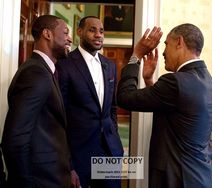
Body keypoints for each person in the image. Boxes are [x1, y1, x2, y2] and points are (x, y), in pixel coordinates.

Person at [117, 24, 212, 188]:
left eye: (166, 44)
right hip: (200, 176)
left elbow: (124, 98)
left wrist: (136, 55)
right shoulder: (209, 81)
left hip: (177, 179)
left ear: (179, 42)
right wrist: (149, 81)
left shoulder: (175, 81)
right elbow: (175, 110)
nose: (163, 52)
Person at [1, 15, 75, 188]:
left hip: (54, 175)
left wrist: (68, 169)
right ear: (47, 34)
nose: (70, 38)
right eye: (65, 33)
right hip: (41, 181)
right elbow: (15, 140)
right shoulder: (36, 73)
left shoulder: (45, 70)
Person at [56, 16, 123, 188]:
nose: (98, 35)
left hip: (109, 152)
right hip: (79, 156)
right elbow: (59, 116)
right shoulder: (64, 64)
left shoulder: (110, 65)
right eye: (92, 30)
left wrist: (113, 136)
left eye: (101, 31)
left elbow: (112, 108)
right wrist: (68, 164)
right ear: (80, 32)